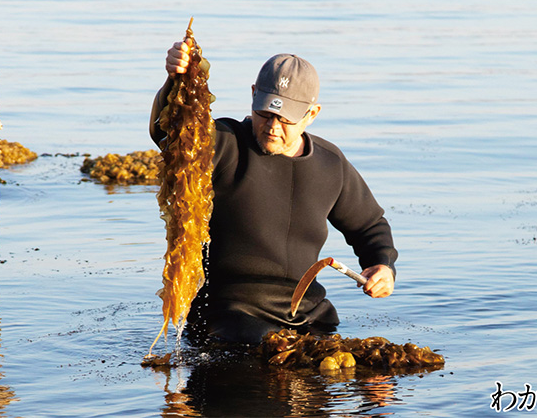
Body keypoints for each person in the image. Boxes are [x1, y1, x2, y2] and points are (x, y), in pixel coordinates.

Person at [149, 39, 398, 344]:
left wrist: (382, 264)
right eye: (265, 113)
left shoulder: (330, 164)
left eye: (285, 118)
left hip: (310, 315)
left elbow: (369, 225)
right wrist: (177, 79)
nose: (272, 126)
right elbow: (171, 132)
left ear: (312, 113)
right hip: (229, 316)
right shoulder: (224, 143)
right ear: (253, 95)